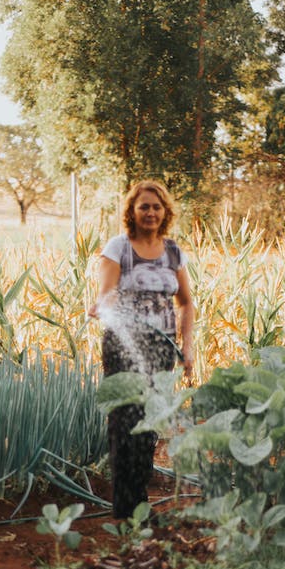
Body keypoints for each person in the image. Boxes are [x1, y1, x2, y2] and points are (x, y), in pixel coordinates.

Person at [90, 179, 195, 520]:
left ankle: (141, 505)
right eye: (143, 206)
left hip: (161, 348)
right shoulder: (119, 247)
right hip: (124, 344)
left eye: (156, 207)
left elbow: (186, 303)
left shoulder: (173, 251)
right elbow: (106, 292)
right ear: (132, 212)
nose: (150, 212)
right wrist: (103, 305)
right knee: (125, 422)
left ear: (165, 212)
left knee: (150, 422)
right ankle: (125, 508)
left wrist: (187, 345)